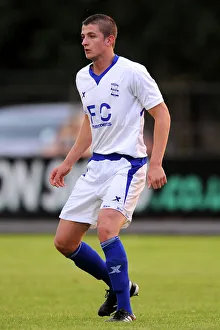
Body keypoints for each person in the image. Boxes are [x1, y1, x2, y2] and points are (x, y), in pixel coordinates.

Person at [50, 13, 171, 323]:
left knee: (106, 228)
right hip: (98, 164)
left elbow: (163, 115)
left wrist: (156, 162)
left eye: (91, 36)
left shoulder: (133, 72)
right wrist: (67, 162)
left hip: (127, 165)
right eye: (82, 36)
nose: (84, 41)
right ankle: (121, 287)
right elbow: (90, 126)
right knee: (64, 241)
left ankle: (125, 312)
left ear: (109, 40)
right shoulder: (82, 77)